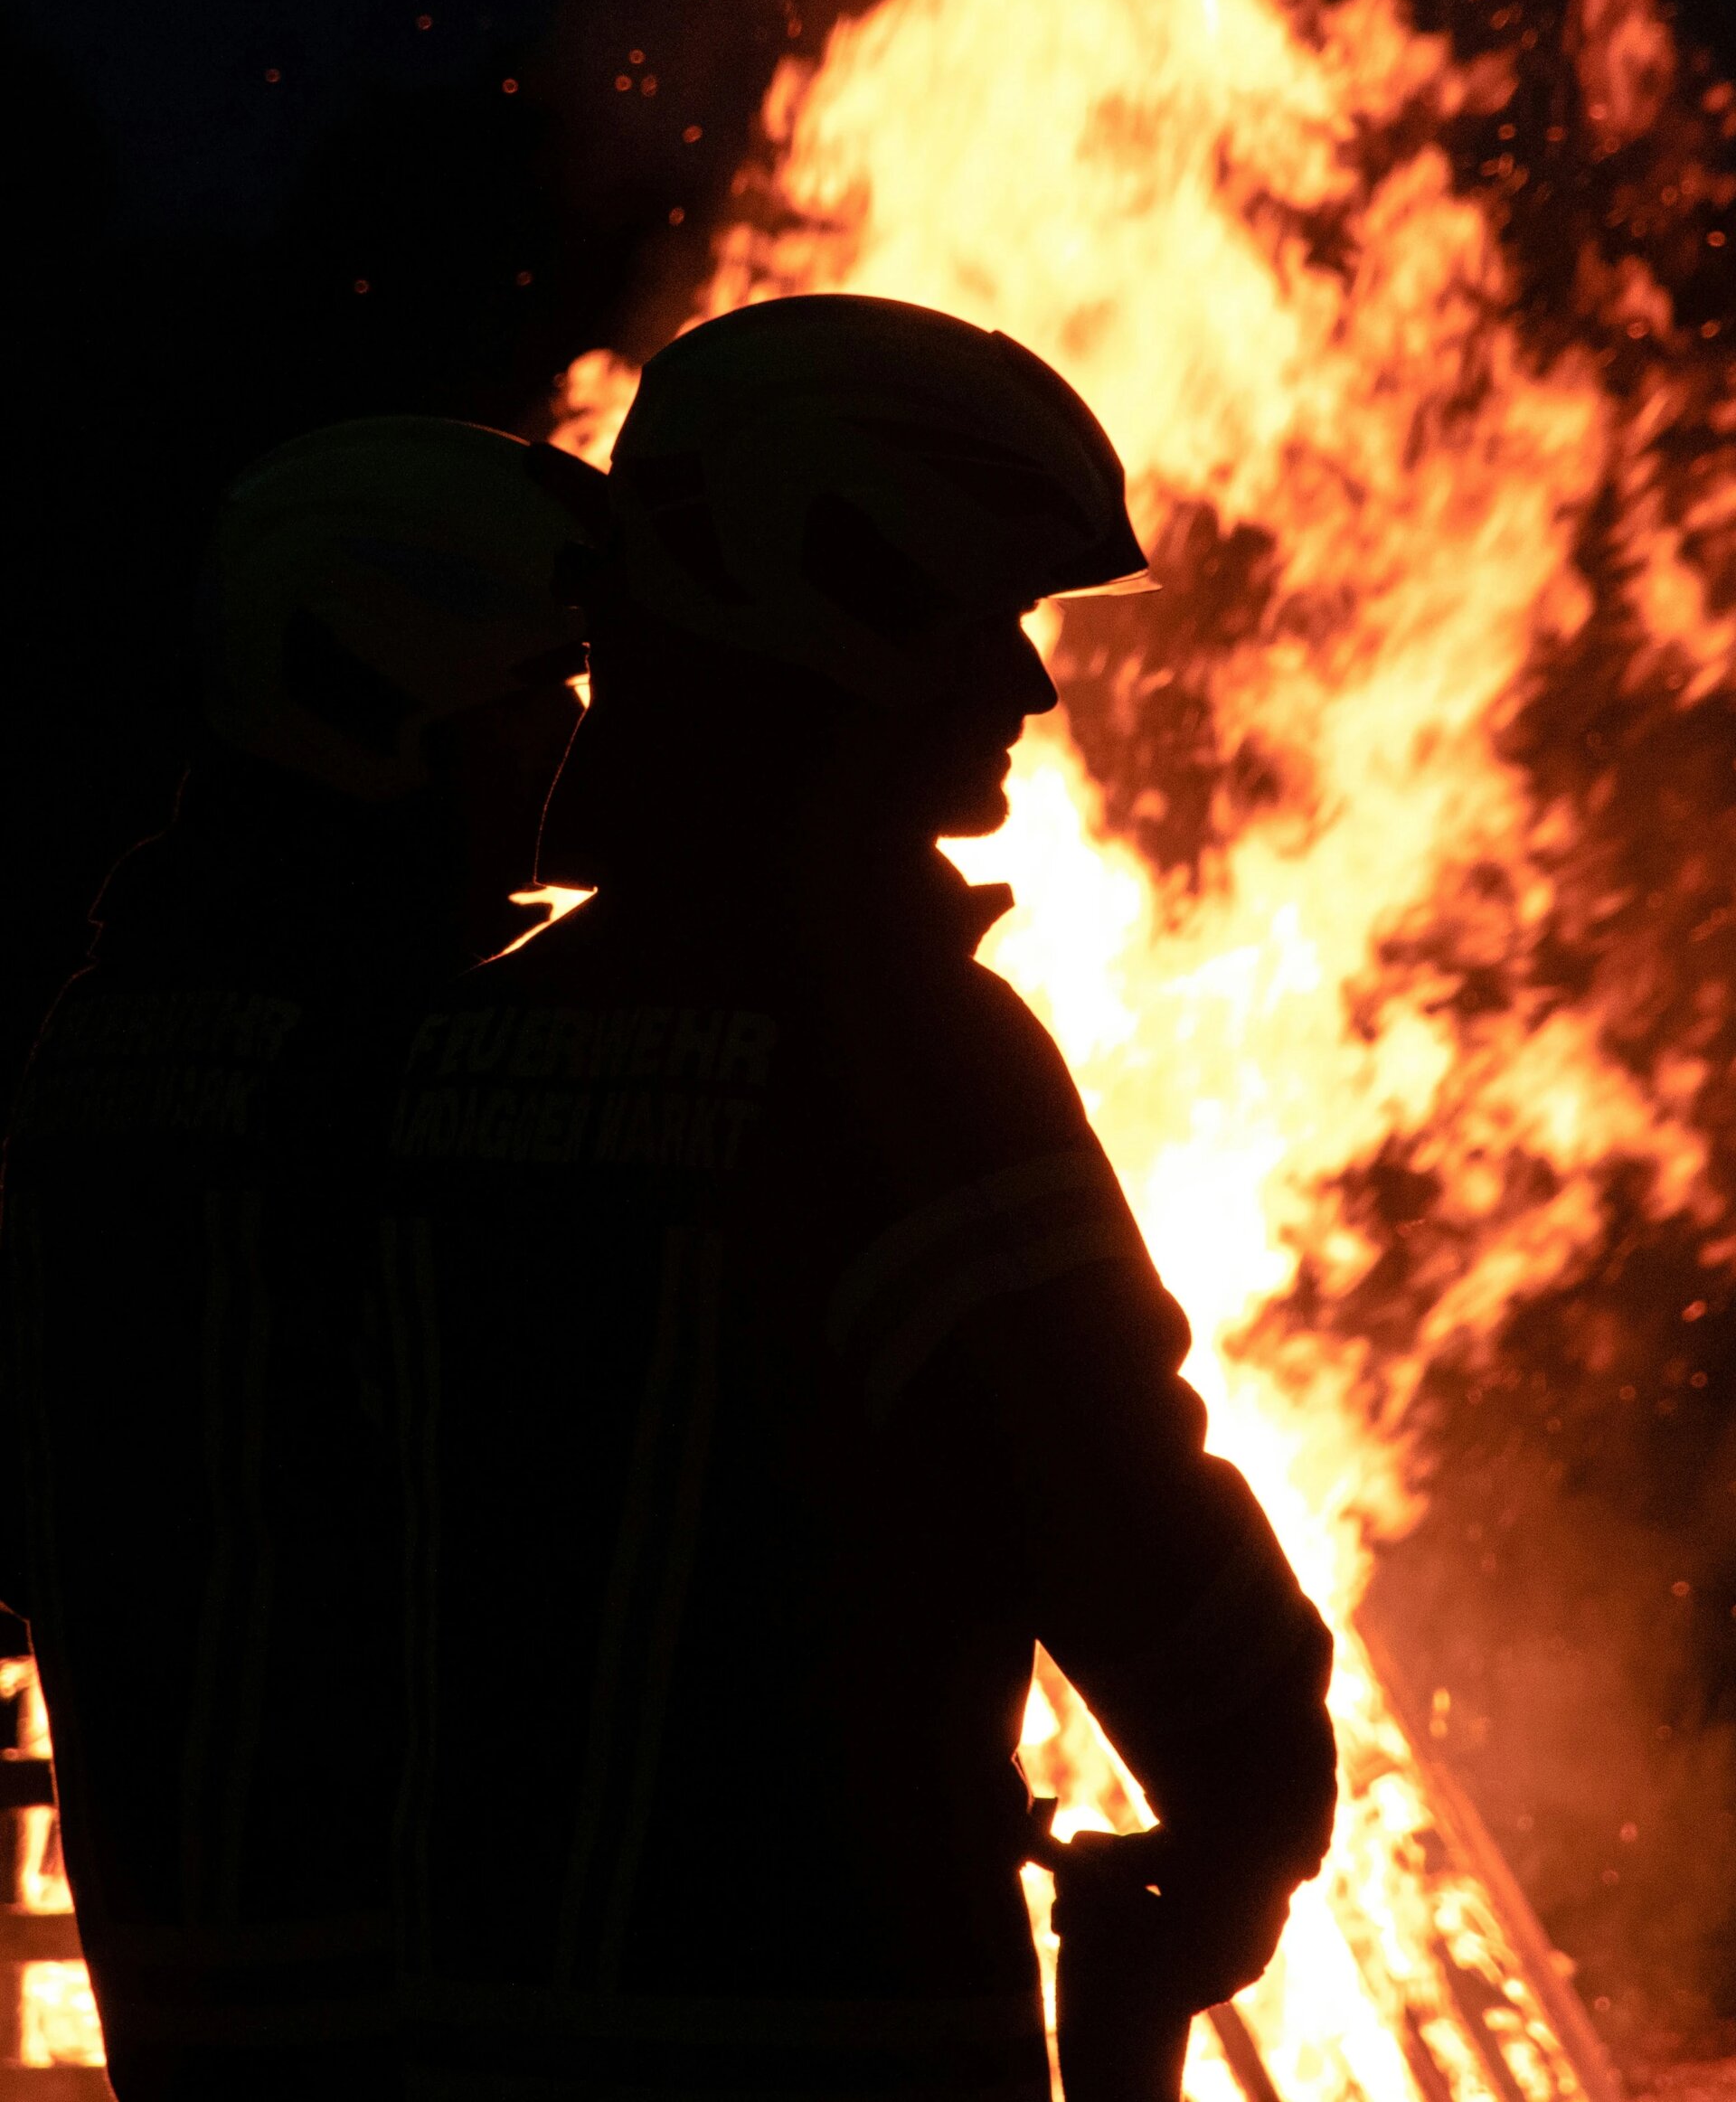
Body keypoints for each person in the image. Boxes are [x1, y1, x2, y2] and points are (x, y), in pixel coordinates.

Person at [381, 295, 1337, 2102]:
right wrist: (1254, 1808)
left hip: (450, 2036)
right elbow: (1124, 1509)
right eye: (986, 616)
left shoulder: (450, 1051)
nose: (1028, 684)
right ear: (832, 595)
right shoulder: (908, 1062)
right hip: (831, 2032)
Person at [1, 415, 607, 2100]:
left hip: (184, 1935)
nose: (573, 737)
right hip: (401, 1966)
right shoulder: (410, 1060)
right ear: (375, 697)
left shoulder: (110, 1029)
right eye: (535, 692)